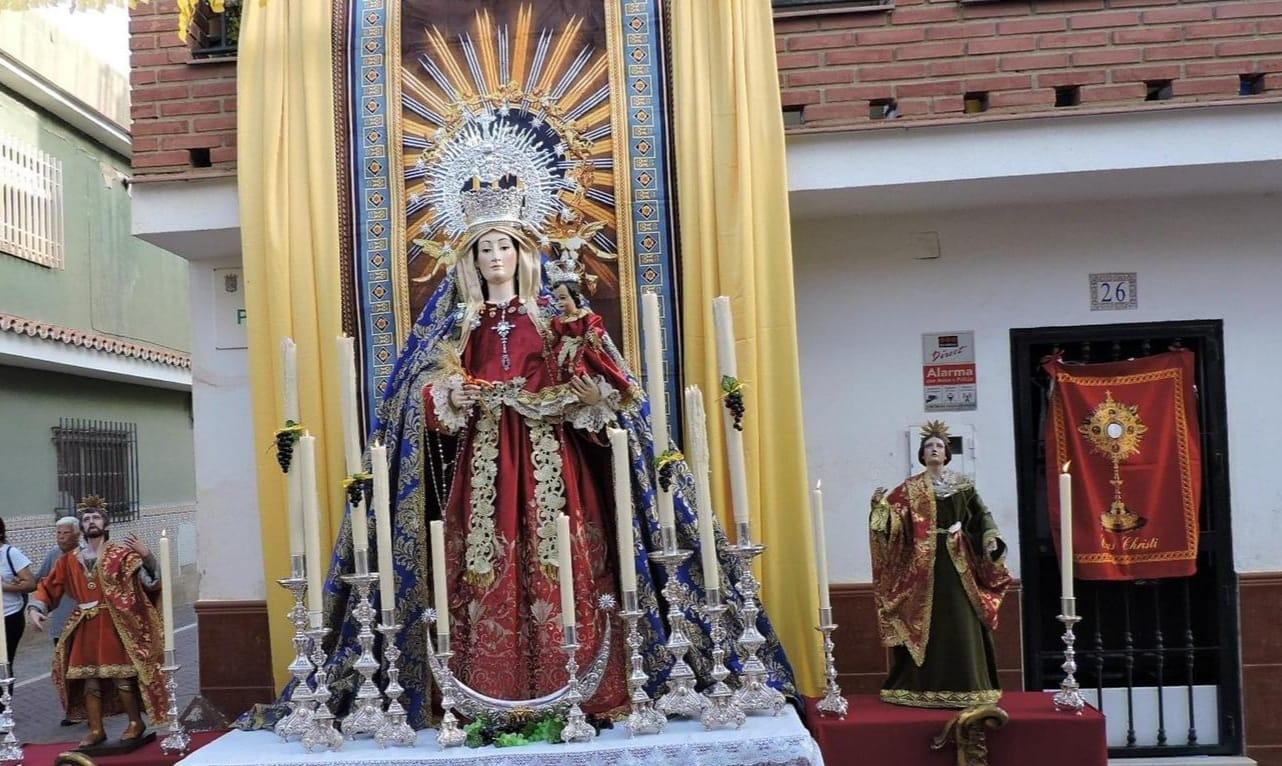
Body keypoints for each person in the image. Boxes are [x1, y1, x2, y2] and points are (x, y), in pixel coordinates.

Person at [266, 173, 797, 732]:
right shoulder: (459, 322)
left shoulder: (554, 317)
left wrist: (591, 398)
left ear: (524, 254)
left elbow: (605, 388)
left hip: (555, 463)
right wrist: (449, 393)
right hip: (484, 466)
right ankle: (487, 691)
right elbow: (413, 396)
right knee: (482, 565)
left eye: (505, 246)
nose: (496, 258)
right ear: (469, 259)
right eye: (484, 248)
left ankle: (582, 688)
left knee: (566, 560)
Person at [869, 421, 1012, 708]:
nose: (933, 449)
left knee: (962, 617)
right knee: (924, 619)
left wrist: (989, 538)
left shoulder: (963, 486)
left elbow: (981, 515)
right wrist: (880, 510)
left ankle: (969, 684)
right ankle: (920, 686)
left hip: (958, 560)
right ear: (921, 455)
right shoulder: (909, 489)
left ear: (947, 453)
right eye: (928, 447)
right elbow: (895, 524)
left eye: (938, 446)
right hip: (922, 568)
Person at [27, 497, 167, 747]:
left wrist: (147, 557)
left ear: (106, 523)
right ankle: (96, 729)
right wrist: (37, 607)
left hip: (115, 624)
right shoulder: (70, 559)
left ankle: (135, 723)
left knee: (121, 675)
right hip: (84, 624)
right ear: (82, 526)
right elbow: (50, 585)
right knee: (88, 678)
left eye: (96, 517)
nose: (91, 522)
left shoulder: (121, 555)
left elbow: (150, 583)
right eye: (87, 519)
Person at [547, 276, 636, 402]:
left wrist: (591, 335)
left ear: (574, 296)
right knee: (557, 368)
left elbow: (595, 328)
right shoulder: (557, 320)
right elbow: (555, 336)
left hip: (583, 350)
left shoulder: (585, 316)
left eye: (563, 298)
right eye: (556, 299)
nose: (559, 302)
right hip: (562, 349)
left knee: (583, 368)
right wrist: (549, 337)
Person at [36, 516, 83, 727]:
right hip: (60, 624)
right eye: (58, 533)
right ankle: (72, 710)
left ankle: (93, 710)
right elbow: (40, 581)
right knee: (64, 669)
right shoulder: (53, 556)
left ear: (77, 534)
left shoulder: (86, 554)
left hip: (83, 621)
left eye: (66, 533)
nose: (61, 537)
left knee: (84, 668)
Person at [0, 518, 35, 665]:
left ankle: (7, 688)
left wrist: (4, 586)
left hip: (8, 618)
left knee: (3, 665)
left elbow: (31, 584)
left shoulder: (10, 553)